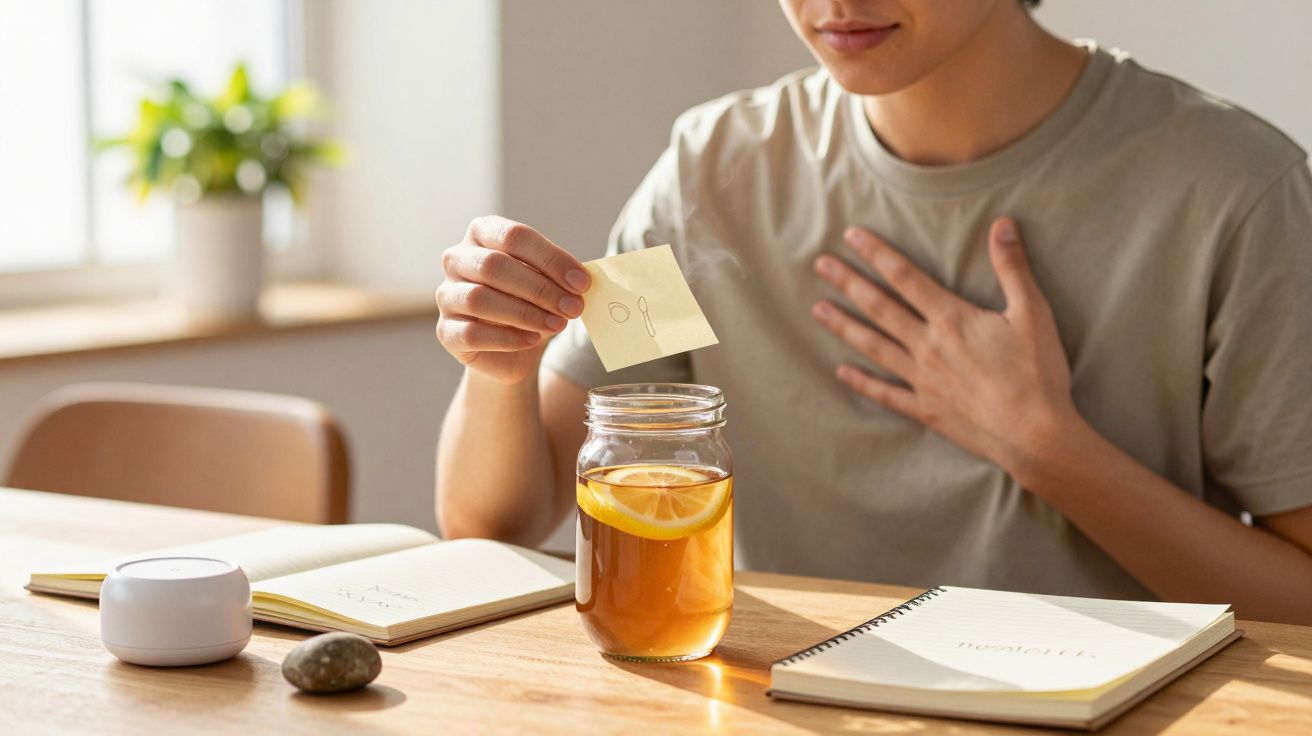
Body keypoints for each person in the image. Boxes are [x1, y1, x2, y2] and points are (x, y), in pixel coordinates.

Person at [434, 0, 1312, 624]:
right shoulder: (713, 171)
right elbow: (494, 524)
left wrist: (1048, 450)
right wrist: (501, 369)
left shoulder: (1235, 190)